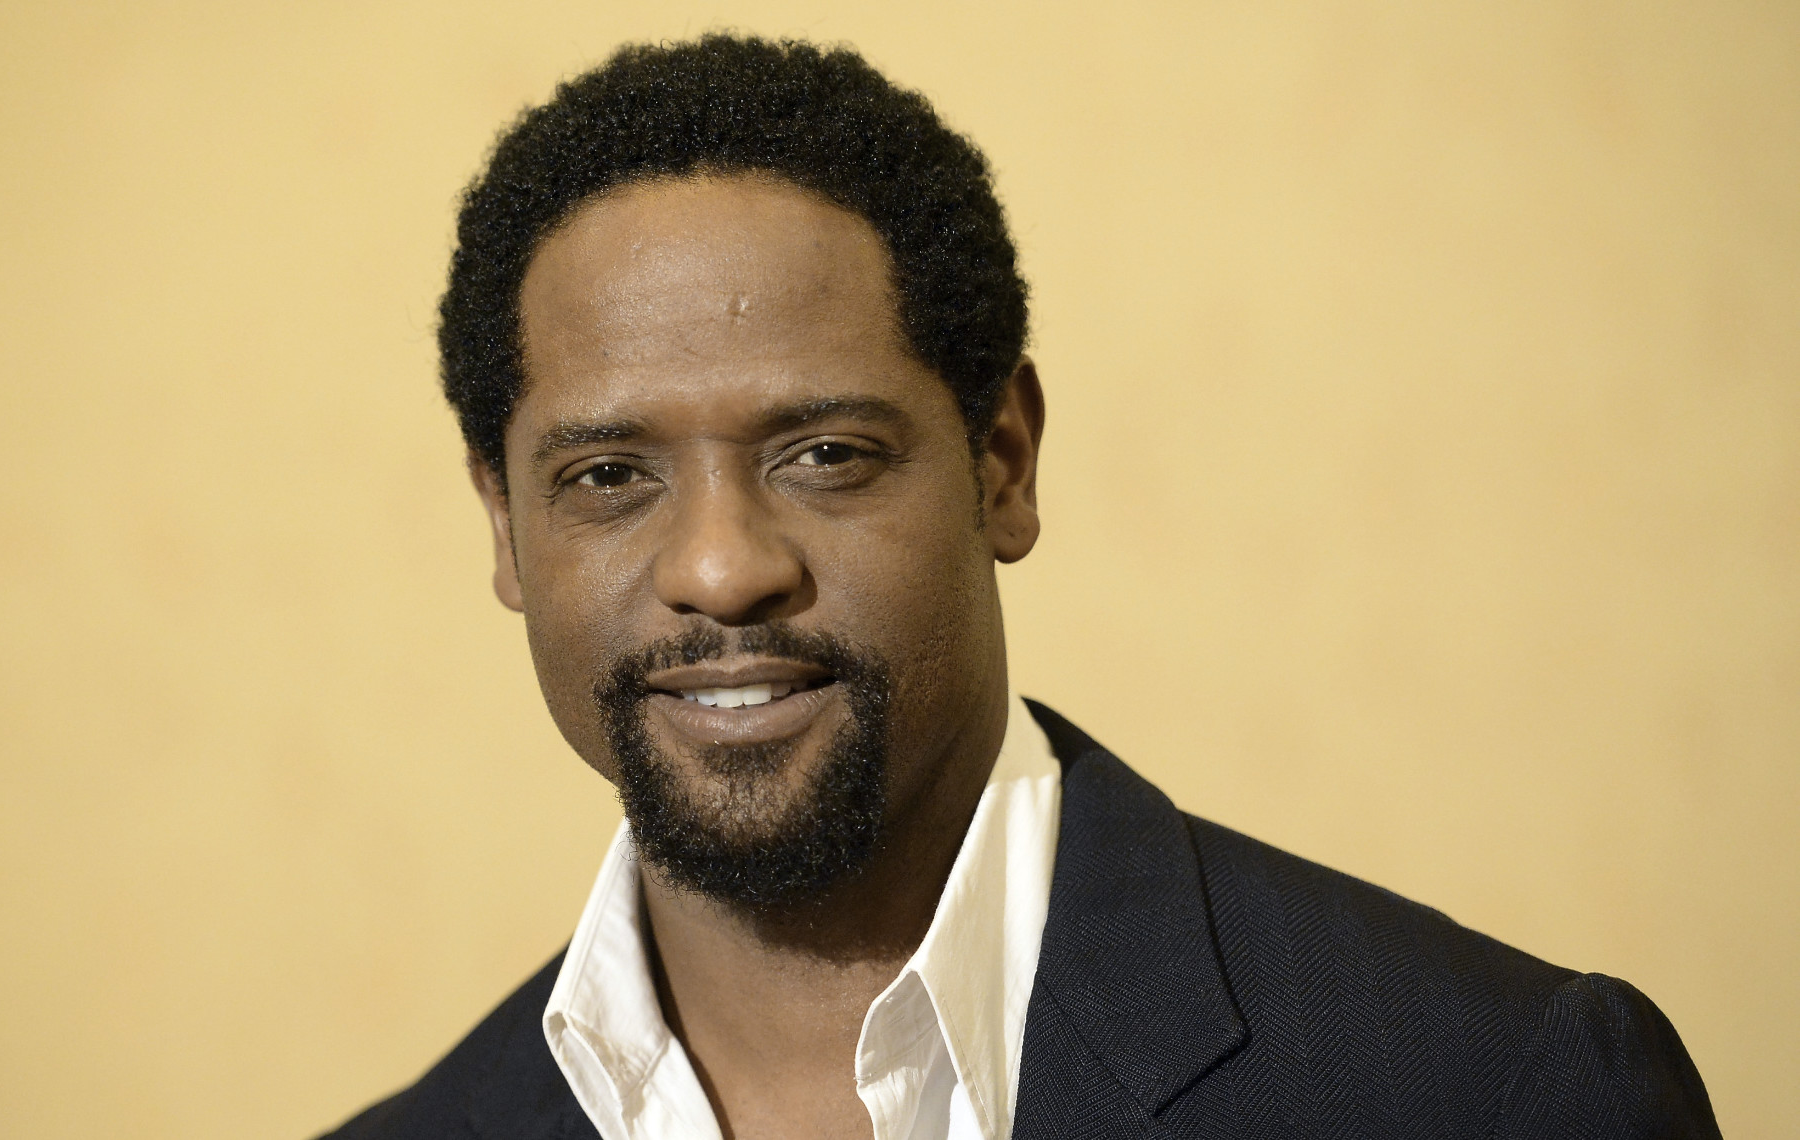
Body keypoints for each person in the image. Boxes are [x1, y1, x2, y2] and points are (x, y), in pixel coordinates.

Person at [321, 34, 1718, 1140]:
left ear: (1003, 463)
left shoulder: (1495, 1090)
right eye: (610, 475)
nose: (723, 567)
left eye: (826, 454)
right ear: (505, 526)